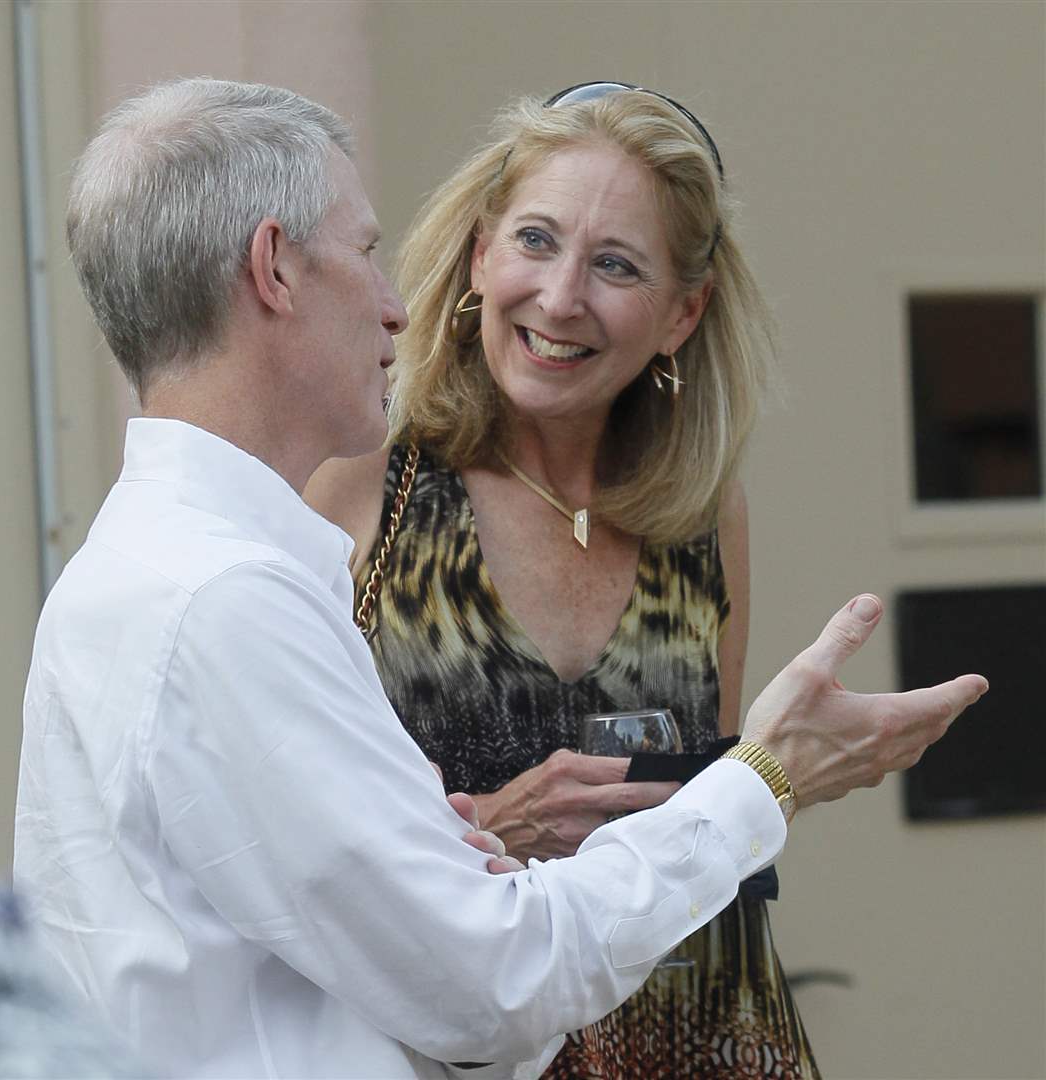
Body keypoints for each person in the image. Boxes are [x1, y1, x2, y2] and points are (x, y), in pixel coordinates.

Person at [14, 77, 987, 1080]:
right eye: (363, 253)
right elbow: (480, 982)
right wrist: (764, 777)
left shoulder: (180, 572)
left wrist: (752, 778)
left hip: (670, 1007)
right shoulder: (247, 579)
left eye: (615, 264)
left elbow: (333, 859)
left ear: (683, 312)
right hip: (508, 997)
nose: (395, 304)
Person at [301, 82, 862, 1075]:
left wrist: (791, 768)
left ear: (683, 313)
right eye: (536, 241)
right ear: (480, 254)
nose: (561, 299)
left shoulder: (702, 515)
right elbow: (289, 827)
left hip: (701, 1036)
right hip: (462, 1049)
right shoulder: (364, 485)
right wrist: (487, 829)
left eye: (615, 265)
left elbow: (712, 815)